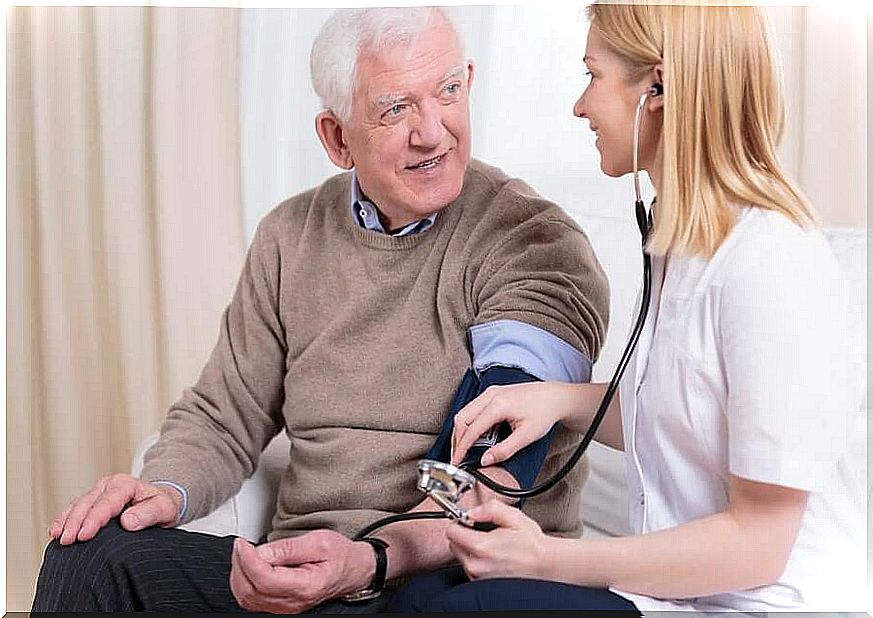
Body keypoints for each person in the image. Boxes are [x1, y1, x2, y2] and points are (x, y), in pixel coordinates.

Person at [30, 6, 610, 614]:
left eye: (448, 92)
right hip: (300, 571)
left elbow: (496, 468)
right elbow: (223, 415)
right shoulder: (289, 236)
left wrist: (368, 559)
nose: (433, 132)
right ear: (336, 138)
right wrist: (160, 491)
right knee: (88, 555)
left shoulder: (533, 243)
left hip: (450, 574)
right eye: (395, 108)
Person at [387, 3, 867, 614]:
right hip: (681, 593)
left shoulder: (772, 266)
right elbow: (687, 417)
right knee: (428, 589)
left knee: (461, 611)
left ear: (657, 88)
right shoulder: (687, 244)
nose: (580, 106)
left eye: (593, 76)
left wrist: (549, 560)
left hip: (764, 602)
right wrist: (561, 401)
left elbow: (759, 546)